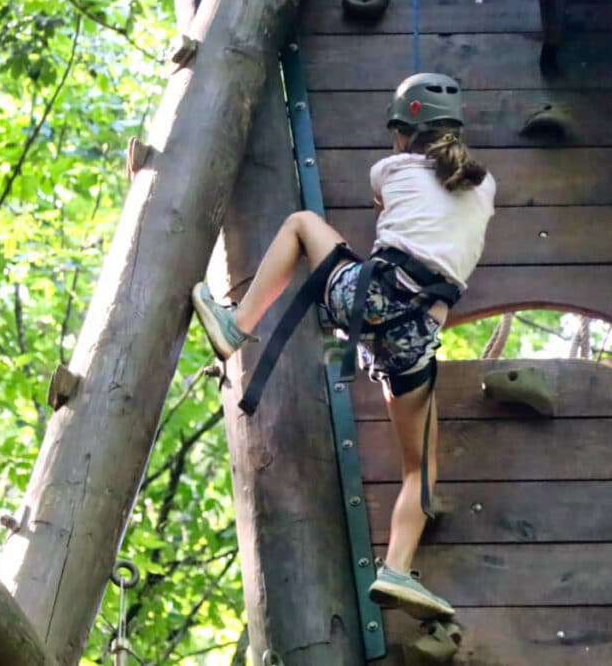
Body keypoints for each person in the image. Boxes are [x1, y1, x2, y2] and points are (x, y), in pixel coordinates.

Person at [191, 73, 496, 620]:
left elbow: (388, 203)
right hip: (415, 338)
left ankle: (238, 325)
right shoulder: (486, 185)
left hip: (367, 302)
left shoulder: (391, 168)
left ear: (402, 133)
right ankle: (398, 568)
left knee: (302, 223)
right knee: (419, 470)